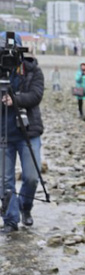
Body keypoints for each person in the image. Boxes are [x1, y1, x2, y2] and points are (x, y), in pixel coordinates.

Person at [1, 35, 43, 233]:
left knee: (32, 177)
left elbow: (36, 95)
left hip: (28, 131)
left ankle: (25, 207)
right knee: (5, 180)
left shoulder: (32, 69)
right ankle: (10, 220)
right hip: (3, 133)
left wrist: (15, 99)